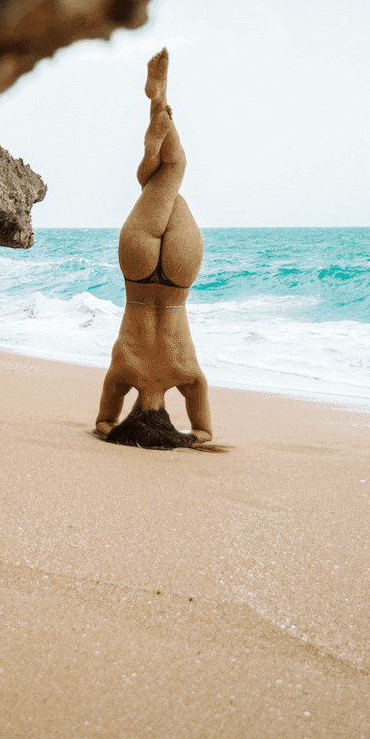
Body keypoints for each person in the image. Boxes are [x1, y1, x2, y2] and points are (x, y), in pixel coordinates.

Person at [95, 48, 213, 449]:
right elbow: (103, 424)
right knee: (160, 180)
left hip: (178, 281)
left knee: (172, 175)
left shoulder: (187, 376)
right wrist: (115, 429)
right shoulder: (121, 373)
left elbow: (204, 433)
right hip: (137, 273)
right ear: (135, 416)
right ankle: (157, 105)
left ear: (165, 419)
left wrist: (189, 438)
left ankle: (157, 114)